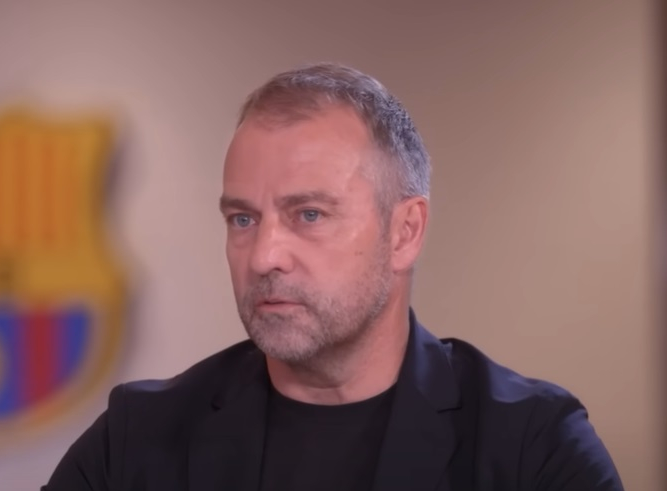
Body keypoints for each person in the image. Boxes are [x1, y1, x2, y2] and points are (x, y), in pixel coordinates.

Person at [42, 63, 623, 490]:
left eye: (309, 215)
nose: (264, 255)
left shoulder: (532, 447)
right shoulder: (138, 439)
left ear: (405, 232)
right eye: (243, 218)